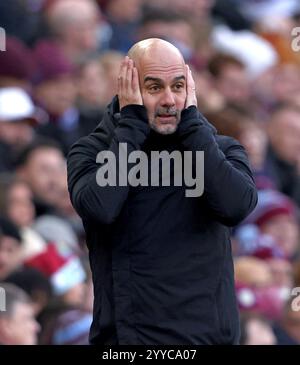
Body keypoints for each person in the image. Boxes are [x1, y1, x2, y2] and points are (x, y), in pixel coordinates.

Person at [67, 38, 257, 345]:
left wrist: (194, 128)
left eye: (178, 86)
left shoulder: (219, 149)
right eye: (154, 88)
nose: (169, 99)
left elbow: (236, 206)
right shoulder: (92, 151)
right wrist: (131, 126)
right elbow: (101, 207)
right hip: (131, 342)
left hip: (211, 339)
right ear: (127, 90)